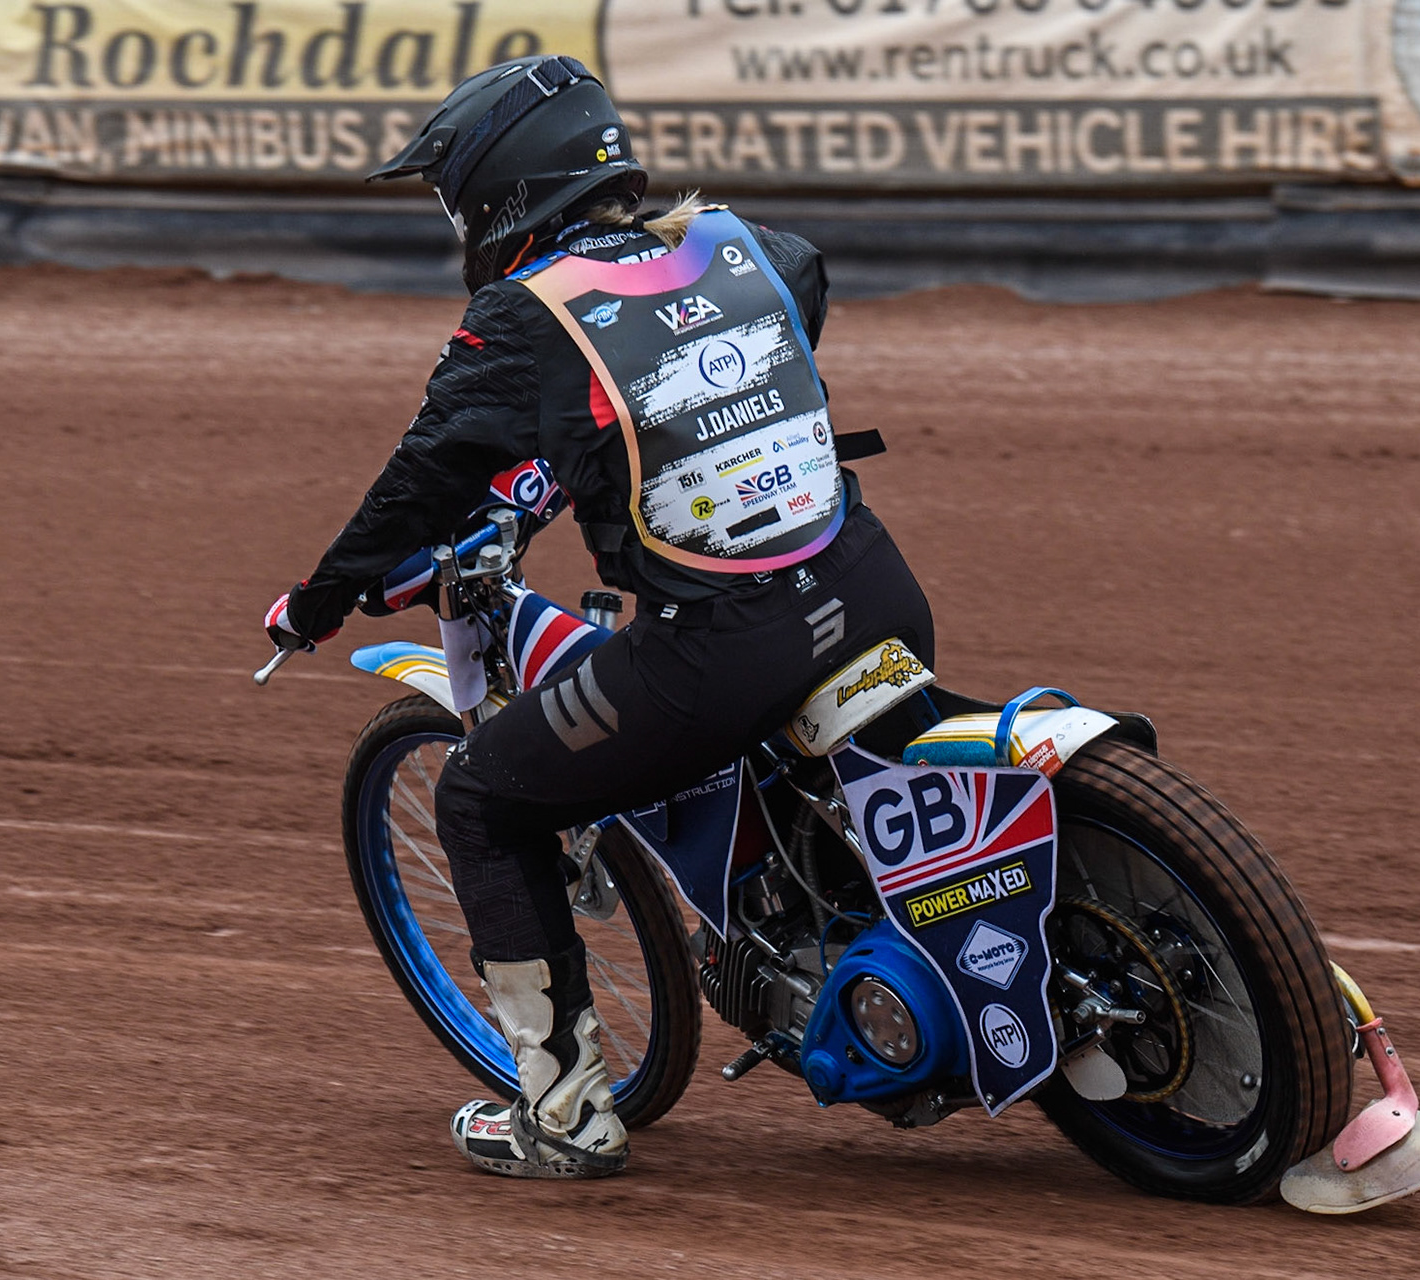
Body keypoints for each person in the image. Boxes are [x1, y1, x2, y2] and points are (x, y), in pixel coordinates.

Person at [263, 54, 934, 1179]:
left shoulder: (520, 316)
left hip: (722, 653)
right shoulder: (745, 243)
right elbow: (801, 294)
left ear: (501, 193)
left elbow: (426, 476)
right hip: (876, 592)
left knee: (480, 798)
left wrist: (323, 596)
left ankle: (566, 1110)